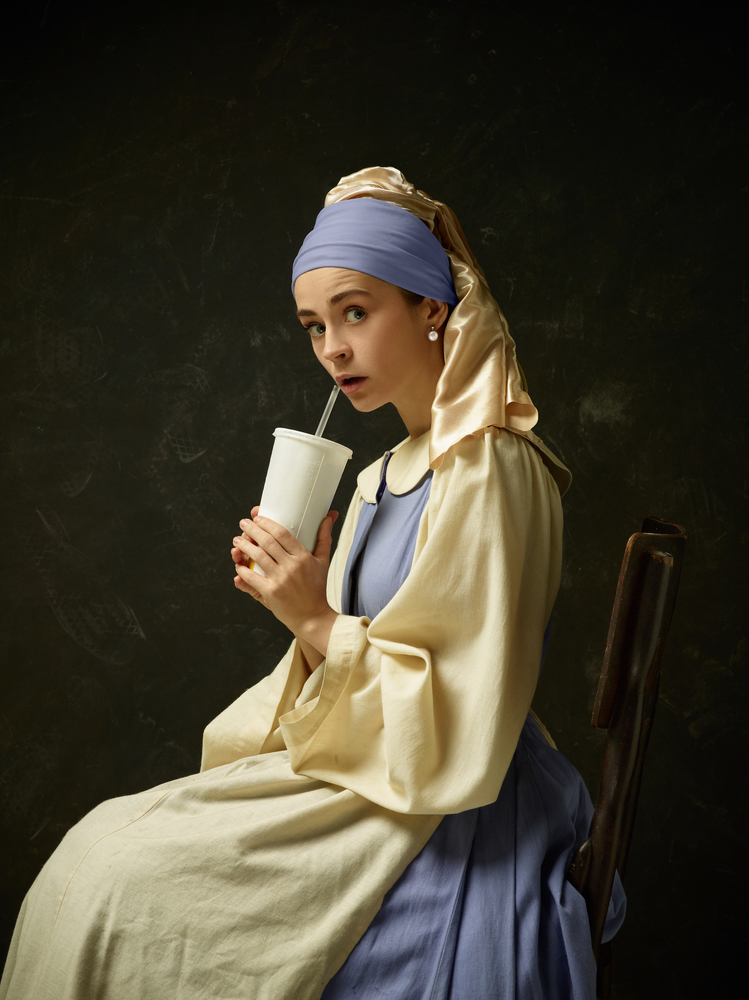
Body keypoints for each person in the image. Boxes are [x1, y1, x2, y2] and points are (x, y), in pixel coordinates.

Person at [0, 166, 625, 1000]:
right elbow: (370, 657)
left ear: (431, 308)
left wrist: (316, 618)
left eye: (356, 313)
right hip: (377, 772)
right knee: (101, 848)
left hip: (451, 806)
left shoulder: (490, 468)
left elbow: (464, 703)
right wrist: (303, 607)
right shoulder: (378, 477)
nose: (332, 347)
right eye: (313, 326)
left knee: (123, 878)